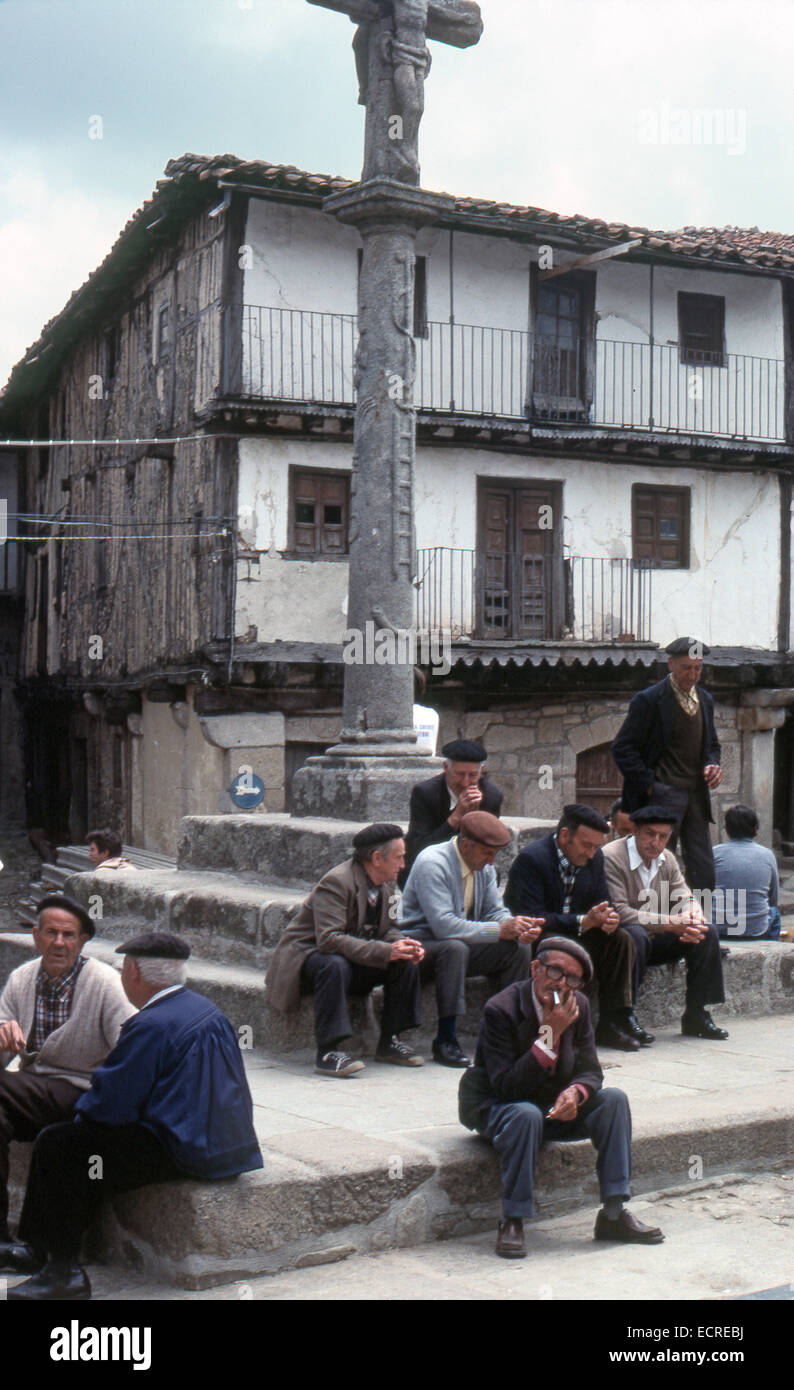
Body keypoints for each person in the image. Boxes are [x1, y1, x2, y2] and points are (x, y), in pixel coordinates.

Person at [3, 932, 263, 1301]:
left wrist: (79, 1118)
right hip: (228, 1147)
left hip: (188, 1150)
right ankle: (40, 1252)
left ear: (135, 973)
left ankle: (63, 1271)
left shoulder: (151, 1024)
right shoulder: (204, 1008)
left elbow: (110, 1107)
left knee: (61, 1144)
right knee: (85, 1147)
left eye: (125, 970)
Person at [458, 936, 664, 1258]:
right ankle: (513, 1219)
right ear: (536, 968)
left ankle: (613, 1214)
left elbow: (591, 1071)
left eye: (573, 979)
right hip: (501, 1109)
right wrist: (549, 1033)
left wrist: (575, 1093)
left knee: (614, 1101)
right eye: (555, 972)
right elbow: (505, 1086)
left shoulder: (577, 1006)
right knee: (525, 1114)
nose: (562, 984)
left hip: (550, 1109)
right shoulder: (501, 1009)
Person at [0, 893, 134, 1253]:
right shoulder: (20, 979)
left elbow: (133, 1049)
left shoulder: (105, 983)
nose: (59, 943)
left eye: (69, 935)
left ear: (83, 940)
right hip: (32, 1092)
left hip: (82, 1090)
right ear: (35, 936)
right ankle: (4, 1241)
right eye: (51, 933)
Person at [265, 823, 425, 1077]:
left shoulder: (390, 886)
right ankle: (328, 1052)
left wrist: (402, 944)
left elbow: (391, 927)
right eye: (399, 857)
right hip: (309, 959)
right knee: (333, 964)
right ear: (376, 858)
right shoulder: (336, 882)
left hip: (356, 957)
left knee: (405, 960)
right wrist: (385, 951)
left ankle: (391, 1041)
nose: (403, 865)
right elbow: (329, 939)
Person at [401, 811, 541, 1068]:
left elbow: (494, 910)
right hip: (422, 947)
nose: (492, 861)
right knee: (453, 948)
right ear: (466, 845)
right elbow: (444, 927)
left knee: (519, 947)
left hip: (463, 944)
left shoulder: (483, 866)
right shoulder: (433, 862)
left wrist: (516, 926)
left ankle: (509, 1030)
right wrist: (500, 930)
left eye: (495, 855)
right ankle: (446, 1037)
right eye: (487, 853)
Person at [504, 805, 641, 1052]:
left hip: (578, 931)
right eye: (586, 845)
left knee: (622, 939)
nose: (591, 853)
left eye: (596, 847)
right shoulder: (533, 859)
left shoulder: (595, 858)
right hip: (541, 935)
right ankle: (558, 1024)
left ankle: (612, 1021)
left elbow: (602, 900)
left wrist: (607, 918)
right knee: (560, 947)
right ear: (565, 835)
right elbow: (532, 916)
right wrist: (582, 922)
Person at [602, 805, 728, 1040]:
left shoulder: (666, 858)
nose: (656, 842)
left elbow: (684, 895)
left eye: (663, 836)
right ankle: (623, 1015)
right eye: (650, 834)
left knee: (706, 931)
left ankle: (696, 1013)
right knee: (634, 935)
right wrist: (670, 923)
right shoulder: (611, 856)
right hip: (620, 942)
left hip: (655, 939)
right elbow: (619, 911)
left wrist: (693, 918)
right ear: (636, 831)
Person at [611, 637, 721, 892]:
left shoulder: (705, 700)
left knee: (703, 868)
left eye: (698, 668)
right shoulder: (648, 700)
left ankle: (699, 923)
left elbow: (712, 746)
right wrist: (651, 786)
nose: (692, 675)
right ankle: (658, 926)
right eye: (686, 668)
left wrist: (713, 764)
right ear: (670, 664)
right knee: (657, 866)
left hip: (695, 795)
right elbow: (622, 748)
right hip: (663, 794)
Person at [401, 738, 503, 886]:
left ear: (481, 771)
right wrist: (456, 817)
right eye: (460, 774)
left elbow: (488, 847)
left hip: (470, 863)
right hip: (429, 862)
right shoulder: (425, 793)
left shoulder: (492, 796)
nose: (465, 783)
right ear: (445, 768)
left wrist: (475, 821)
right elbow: (419, 847)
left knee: (491, 875)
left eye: (473, 775)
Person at [712, 804, 781, 940]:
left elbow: (704, 891)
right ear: (756, 830)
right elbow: (773, 898)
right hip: (755, 928)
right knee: (774, 913)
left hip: (719, 927)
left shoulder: (714, 853)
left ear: (727, 830)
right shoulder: (767, 855)